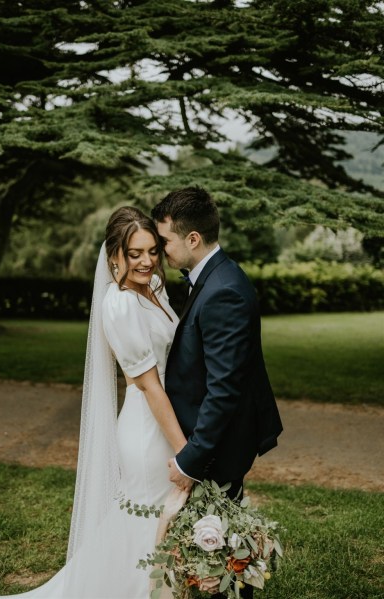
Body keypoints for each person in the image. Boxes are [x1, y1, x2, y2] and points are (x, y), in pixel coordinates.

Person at [0, 206, 185, 599]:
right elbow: (149, 386)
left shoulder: (155, 289)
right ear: (115, 256)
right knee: (146, 518)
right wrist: (185, 451)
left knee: (161, 518)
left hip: (165, 417)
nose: (146, 261)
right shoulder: (120, 304)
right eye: (134, 253)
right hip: (147, 427)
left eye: (151, 251)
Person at [152, 187, 283, 598]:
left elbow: (223, 390)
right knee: (211, 548)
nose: (161, 251)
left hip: (219, 445)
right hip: (215, 440)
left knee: (219, 555)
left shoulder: (223, 290)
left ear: (193, 239)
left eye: (166, 241)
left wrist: (191, 460)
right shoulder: (211, 277)